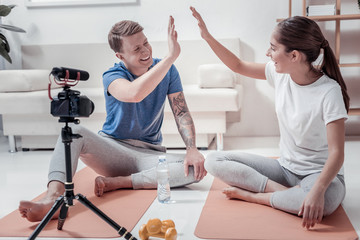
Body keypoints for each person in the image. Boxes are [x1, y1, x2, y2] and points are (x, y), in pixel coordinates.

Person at [18, 16, 206, 222]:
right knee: (74, 132)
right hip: (113, 151)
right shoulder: (112, 74)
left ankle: (119, 182)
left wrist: (192, 149)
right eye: (136, 49)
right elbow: (134, 94)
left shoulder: (167, 70)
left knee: (195, 169)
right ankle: (53, 199)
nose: (145, 51)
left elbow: (181, 111)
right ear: (120, 55)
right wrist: (171, 58)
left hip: (149, 155)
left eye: (146, 43)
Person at [190, 7, 349, 230]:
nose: (268, 53)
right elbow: (238, 65)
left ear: (294, 56)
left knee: (327, 203)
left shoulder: (328, 92)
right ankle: (280, 194)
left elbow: (337, 154)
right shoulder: (280, 75)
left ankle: (256, 196)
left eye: (273, 48)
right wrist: (207, 37)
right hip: (284, 170)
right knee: (213, 161)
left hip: (320, 175)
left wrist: (317, 191)